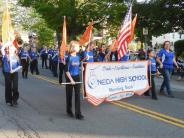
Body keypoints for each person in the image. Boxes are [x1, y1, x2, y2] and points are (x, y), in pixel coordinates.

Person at [64, 41, 84, 120]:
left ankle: (78, 113)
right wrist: (71, 80)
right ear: (73, 47)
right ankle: (69, 111)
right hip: (70, 77)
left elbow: (78, 66)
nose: (79, 47)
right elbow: (67, 71)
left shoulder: (78, 56)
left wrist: (81, 68)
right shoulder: (69, 57)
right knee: (69, 95)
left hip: (77, 77)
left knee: (77, 95)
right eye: (77, 46)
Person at [1, 38, 23, 106]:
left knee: (15, 87)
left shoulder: (16, 56)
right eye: (10, 49)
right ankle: (8, 100)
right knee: (8, 86)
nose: (11, 50)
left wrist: (18, 67)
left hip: (15, 72)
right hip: (7, 72)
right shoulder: (5, 55)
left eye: (13, 49)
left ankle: (15, 100)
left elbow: (19, 65)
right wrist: (8, 43)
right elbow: (2, 49)